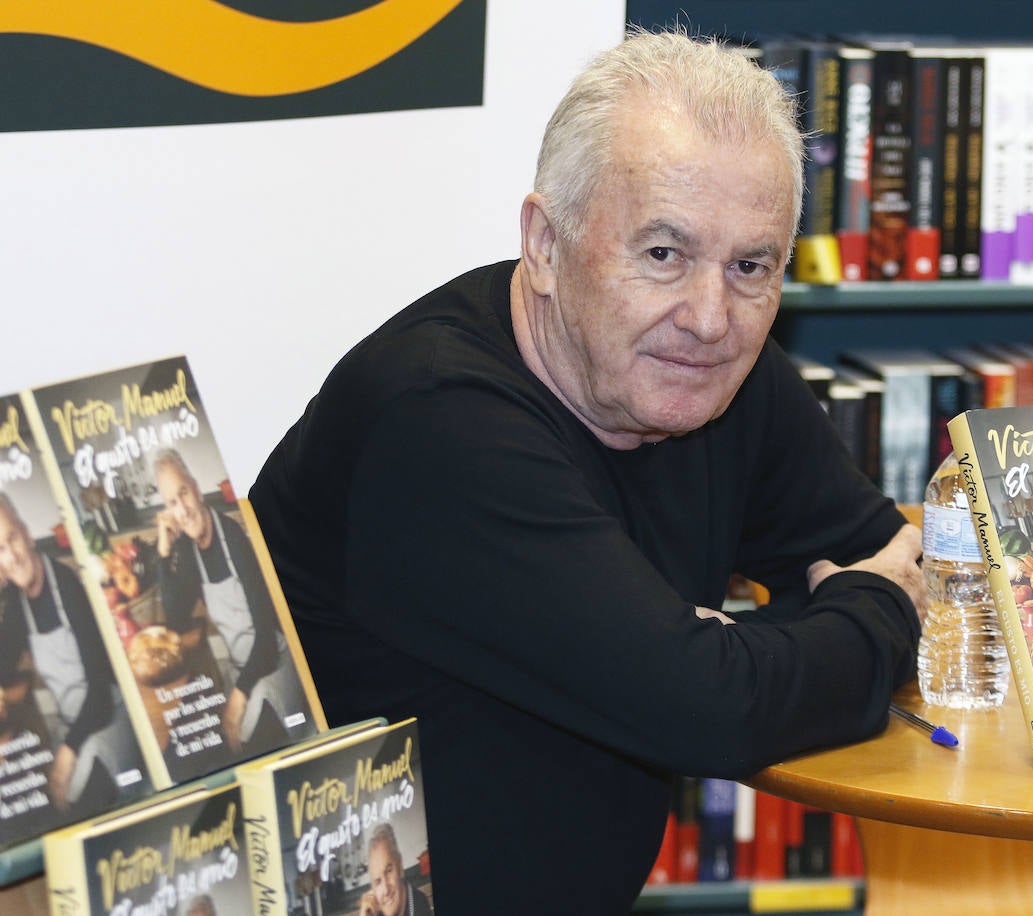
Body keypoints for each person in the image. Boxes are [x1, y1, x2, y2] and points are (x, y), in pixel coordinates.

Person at [250, 27, 924, 913]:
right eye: (662, 254)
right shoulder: (436, 418)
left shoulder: (709, 376)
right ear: (545, 243)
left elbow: (894, 555)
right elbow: (715, 709)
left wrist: (738, 648)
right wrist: (863, 615)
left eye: (751, 266)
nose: (710, 316)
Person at [153, 448, 308, 755]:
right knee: (181, 747)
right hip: (239, 670)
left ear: (196, 490)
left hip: (273, 662)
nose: (182, 509)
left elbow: (265, 636)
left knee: (255, 742)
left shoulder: (233, 538)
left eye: (183, 493)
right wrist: (163, 553)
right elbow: (176, 620)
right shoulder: (186, 548)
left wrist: (237, 698)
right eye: (172, 503)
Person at [0, 493, 141, 812]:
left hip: (107, 721)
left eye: (12, 539)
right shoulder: (17, 604)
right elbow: (3, 668)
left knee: (85, 800)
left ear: (27, 534)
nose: (11, 557)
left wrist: (67, 752)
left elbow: (101, 692)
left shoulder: (68, 586)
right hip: (71, 727)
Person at [358, 822, 432, 916]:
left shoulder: (419, 907)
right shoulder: (377, 913)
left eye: (389, 871)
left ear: (400, 866)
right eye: (378, 881)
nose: (386, 889)